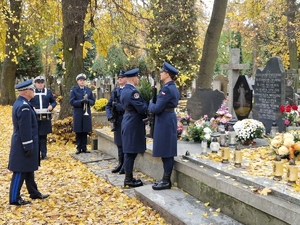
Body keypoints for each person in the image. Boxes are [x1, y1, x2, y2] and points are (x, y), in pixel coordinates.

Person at [9, 79, 50, 205]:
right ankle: (14, 198)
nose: (34, 92)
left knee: (28, 169)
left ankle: (34, 192)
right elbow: (25, 129)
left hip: (24, 142)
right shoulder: (24, 107)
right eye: (32, 90)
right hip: (23, 143)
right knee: (20, 170)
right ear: (26, 92)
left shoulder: (23, 103)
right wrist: (28, 146)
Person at [148, 62, 180, 190]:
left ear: (167, 74)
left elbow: (156, 109)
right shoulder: (172, 87)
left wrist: (150, 104)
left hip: (165, 121)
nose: (160, 73)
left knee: (166, 151)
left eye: (162, 72)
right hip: (167, 119)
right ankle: (165, 179)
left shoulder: (167, 89)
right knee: (166, 150)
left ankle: (166, 181)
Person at [120, 68, 148, 187]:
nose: (138, 79)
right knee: (130, 152)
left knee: (129, 151)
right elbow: (141, 108)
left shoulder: (125, 90)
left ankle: (129, 177)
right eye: (137, 77)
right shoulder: (132, 92)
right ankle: (128, 179)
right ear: (133, 78)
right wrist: (148, 103)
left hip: (128, 120)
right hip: (133, 122)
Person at [30, 75, 57, 160]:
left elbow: (54, 102)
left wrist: (51, 106)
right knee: (35, 136)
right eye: (38, 83)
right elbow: (28, 102)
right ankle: (36, 154)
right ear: (35, 83)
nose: (40, 84)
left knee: (43, 137)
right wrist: (32, 107)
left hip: (45, 117)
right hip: (35, 117)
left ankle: (44, 154)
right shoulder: (32, 92)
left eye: (42, 83)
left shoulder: (48, 92)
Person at [105, 70, 126, 174]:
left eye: (122, 77)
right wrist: (109, 116)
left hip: (125, 118)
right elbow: (108, 105)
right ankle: (120, 163)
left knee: (125, 142)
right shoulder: (115, 91)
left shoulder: (129, 90)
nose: (120, 79)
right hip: (117, 119)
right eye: (119, 77)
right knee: (119, 143)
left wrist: (120, 107)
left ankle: (125, 165)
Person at [70, 73, 95, 154]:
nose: (82, 82)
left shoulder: (88, 90)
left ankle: (84, 147)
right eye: (80, 80)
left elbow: (92, 101)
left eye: (83, 80)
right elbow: (72, 101)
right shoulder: (74, 90)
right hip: (78, 112)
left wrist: (88, 102)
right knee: (78, 130)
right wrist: (81, 102)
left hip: (86, 111)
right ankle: (78, 147)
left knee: (85, 129)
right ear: (77, 81)